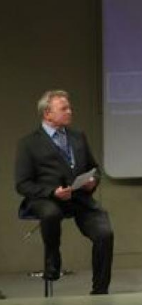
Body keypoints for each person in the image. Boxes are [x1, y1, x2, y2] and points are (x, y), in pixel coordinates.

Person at [14, 90, 114, 295]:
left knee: (105, 233)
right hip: (47, 198)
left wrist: (93, 181)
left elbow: (94, 168)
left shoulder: (78, 136)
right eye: (64, 108)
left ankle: (100, 289)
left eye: (69, 108)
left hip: (79, 197)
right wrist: (52, 192)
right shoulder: (29, 143)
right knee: (51, 213)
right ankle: (53, 259)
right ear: (47, 113)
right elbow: (22, 184)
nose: (70, 111)